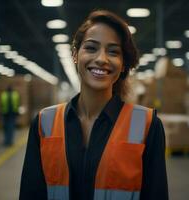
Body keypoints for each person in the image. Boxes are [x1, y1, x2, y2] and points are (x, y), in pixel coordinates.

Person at [20, 10, 168, 200]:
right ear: (75, 54)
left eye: (113, 51)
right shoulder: (44, 123)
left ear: (123, 64)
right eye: (91, 48)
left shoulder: (148, 125)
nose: (101, 59)